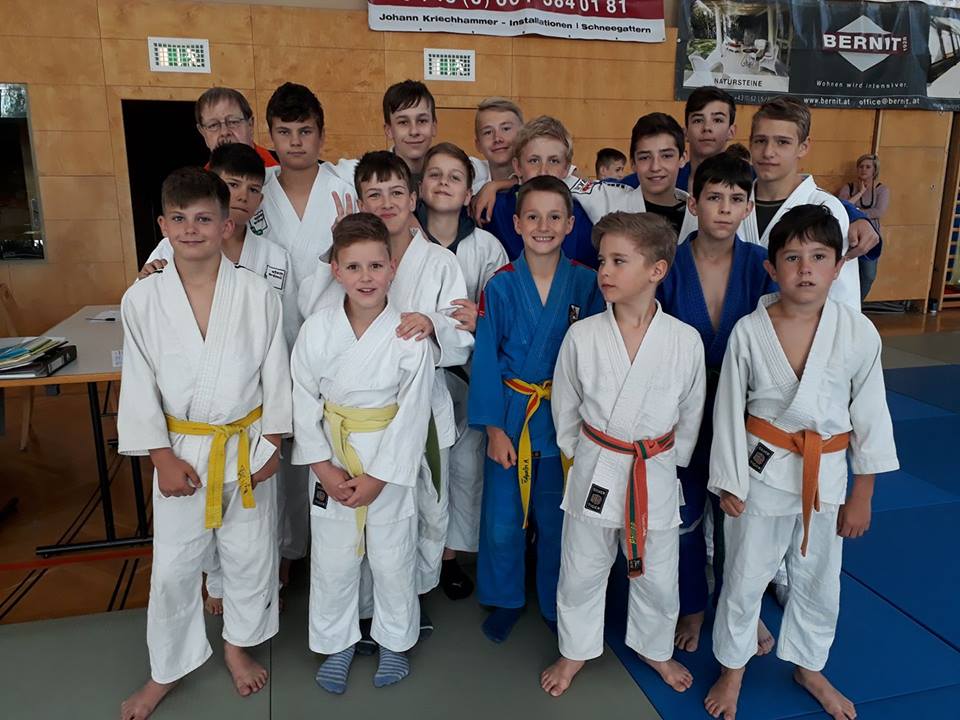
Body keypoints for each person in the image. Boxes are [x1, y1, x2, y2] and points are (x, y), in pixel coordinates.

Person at [704, 205, 899, 720]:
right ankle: (733, 667)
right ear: (772, 269)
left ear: (838, 267)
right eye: (792, 258)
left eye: (818, 257)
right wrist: (729, 479)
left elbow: (871, 415)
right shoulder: (750, 331)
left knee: (818, 579)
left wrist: (863, 493)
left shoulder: (858, 333)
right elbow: (728, 411)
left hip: (826, 476)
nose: (806, 269)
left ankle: (809, 666)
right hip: (760, 473)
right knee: (744, 574)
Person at [118, 168, 292, 719]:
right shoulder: (142, 299)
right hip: (180, 448)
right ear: (162, 225)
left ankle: (238, 645)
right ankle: (166, 668)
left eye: (203, 219)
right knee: (174, 566)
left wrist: (273, 441)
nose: (191, 229)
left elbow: (276, 370)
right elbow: (138, 382)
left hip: (246, 444)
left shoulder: (256, 292)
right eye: (179, 219)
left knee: (250, 553)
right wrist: (159, 456)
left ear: (225, 226)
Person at [299, 150, 474, 634]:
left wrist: (432, 323)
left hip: (421, 406)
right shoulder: (346, 257)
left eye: (397, 191)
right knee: (360, 518)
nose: (386, 202)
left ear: (413, 198)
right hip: (355, 420)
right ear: (360, 201)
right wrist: (332, 249)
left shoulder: (439, 261)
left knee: (424, 510)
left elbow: (461, 331)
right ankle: (364, 611)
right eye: (373, 194)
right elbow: (316, 315)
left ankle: (408, 604)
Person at [541, 211, 706, 697]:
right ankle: (575, 649)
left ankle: (654, 647)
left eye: (619, 261)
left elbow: (691, 411)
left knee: (659, 573)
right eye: (602, 261)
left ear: (657, 270)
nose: (605, 272)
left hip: (653, 469)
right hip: (597, 464)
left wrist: (671, 460)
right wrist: (583, 455)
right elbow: (565, 406)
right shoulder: (583, 335)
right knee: (581, 567)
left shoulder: (684, 340)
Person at [139, 144, 301, 614]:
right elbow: (148, 353)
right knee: (186, 539)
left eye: (253, 189)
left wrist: (275, 431)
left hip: (249, 410)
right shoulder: (164, 263)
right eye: (233, 186)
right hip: (188, 427)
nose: (243, 196)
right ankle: (211, 583)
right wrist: (159, 452)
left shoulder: (270, 262)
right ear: (166, 225)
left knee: (252, 531)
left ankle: (260, 592)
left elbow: (281, 337)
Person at [291, 213, 434, 694]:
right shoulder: (316, 329)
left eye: (375, 266)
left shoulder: (408, 335)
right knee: (333, 557)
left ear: (392, 268)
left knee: (393, 556)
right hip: (331, 458)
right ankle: (337, 642)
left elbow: (413, 413)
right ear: (335, 270)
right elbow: (302, 400)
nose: (366, 277)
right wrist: (322, 467)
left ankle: (395, 640)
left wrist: (380, 477)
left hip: (388, 463)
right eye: (353, 267)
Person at [468, 175, 606, 644]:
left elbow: (599, 355)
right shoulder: (500, 285)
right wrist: (493, 430)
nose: (543, 226)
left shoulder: (586, 282)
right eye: (533, 216)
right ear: (516, 223)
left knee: (557, 519)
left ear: (570, 224)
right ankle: (504, 598)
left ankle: (553, 600)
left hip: (566, 420)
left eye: (554, 217)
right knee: (503, 520)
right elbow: (486, 358)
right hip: (513, 417)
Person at [657, 152, 777, 654]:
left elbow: (779, 334)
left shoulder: (760, 265)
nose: (724, 208)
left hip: (743, 413)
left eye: (735, 198)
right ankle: (692, 604)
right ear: (694, 203)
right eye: (713, 197)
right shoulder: (669, 263)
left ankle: (740, 608)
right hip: (680, 411)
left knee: (738, 518)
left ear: (748, 207)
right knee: (684, 516)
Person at [416, 142, 509, 599]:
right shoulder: (403, 237)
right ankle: (416, 556)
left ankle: (449, 556)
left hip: (471, 370)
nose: (444, 183)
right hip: (416, 372)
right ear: (420, 186)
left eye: (455, 177)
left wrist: (482, 318)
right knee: (419, 469)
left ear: (469, 192)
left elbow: (503, 306)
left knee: (464, 467)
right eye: (435, 174)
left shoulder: (486, 246)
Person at [741, 96, 860, 309]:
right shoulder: (731, 202)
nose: (768, 152)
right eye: (760, 141)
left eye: (782, 142)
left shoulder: (828, 208)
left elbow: (843, 298)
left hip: (802, 326)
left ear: (803, 147)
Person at [251, 82, 355, 289]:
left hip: (334, 307)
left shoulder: (345, 192)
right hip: (270, 308)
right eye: (284, 132)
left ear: (322, 136)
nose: (295, 141)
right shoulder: (255, 196)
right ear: (271, 136)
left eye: (305, 131)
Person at [484, 116, 599, 267]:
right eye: (534, 160)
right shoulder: (493, 209)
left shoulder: (582, 217)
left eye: (554, 161)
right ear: (517, 166)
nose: (543, 171)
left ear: (566, 169)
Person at [329, 80, 439, 187]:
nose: (414, 131)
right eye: (403, 122)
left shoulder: (447, 176)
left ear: (434, 126)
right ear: (389, 130)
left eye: (422, 121)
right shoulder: (361, 172)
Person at [838, 154, 887, 300]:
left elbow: (878, 211)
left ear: (875, 170)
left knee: (868, 275)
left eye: (868, 167)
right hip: (848, 238)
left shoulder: (881, 189)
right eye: (861, 166)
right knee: (844, 275)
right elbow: (841, 207)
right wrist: (860, 193)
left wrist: (856, 213)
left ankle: (857, 305)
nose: (863, 169)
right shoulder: (848, 187)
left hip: (869, 239)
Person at [195, 86, 279, 167]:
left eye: (233, 122)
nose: (224, 132)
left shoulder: (282, 168)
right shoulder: (201, 177)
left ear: (250, 125)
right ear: (203, 133)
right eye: (213, 125)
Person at [471, 97, 524, 194]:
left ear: (523, 135)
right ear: (478, 144)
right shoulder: (473, 174)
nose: (497, 139)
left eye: (506, 129)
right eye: (488, 132)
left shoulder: (539, 170)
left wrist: (497, 185)